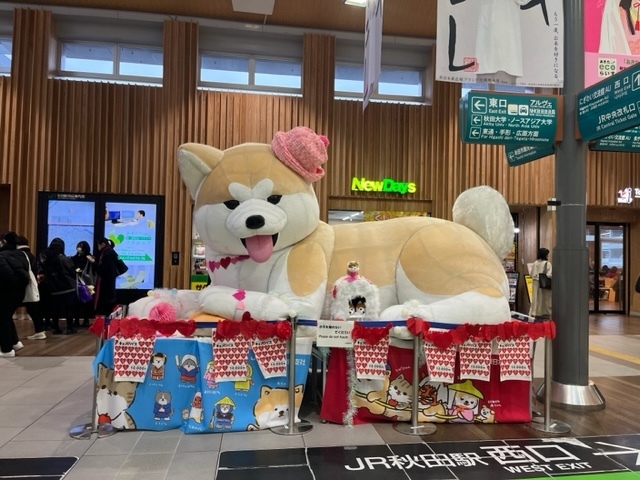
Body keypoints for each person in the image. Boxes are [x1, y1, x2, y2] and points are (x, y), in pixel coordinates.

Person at [0, 231, 30, 357]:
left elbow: (6, 275)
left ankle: (7, 349)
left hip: (6, 292)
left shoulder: (2, 255)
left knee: (3, 319)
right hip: (20, 292)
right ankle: (15, 342)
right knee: (6, 317)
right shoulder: (22, 254)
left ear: (4, 242)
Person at [39, 238, 77, 334]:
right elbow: (72, 271)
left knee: (55, 310)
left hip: (54, 289)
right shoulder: (64, 259)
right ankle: (70, 328)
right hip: (68, 287)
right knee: (69, 309)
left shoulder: (47, 260)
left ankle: (56, 328)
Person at [16, 235, 46, 340]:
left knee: (32, 309)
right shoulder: (30, 254)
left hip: (24, 285)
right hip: (31, 285)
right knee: (33, 309)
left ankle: (39, 330)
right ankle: (40, 330)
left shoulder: (21, 254)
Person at [70, 240, 96, 328]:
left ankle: (86, 320)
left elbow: (94, 270)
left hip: (87, 283)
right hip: (76, 283)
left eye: (81, 247)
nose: (79, 249)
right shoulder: (73, 258)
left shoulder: (90, 258)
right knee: (75, 303)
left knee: (87, 302)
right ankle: (76, 320)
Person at [94, 237, 119, 317]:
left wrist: (94, 263)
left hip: (105, 283)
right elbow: (121, 266)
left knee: (106, 306)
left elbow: (103, 269)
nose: (98, 247)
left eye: (98, 245)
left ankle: (105, 324)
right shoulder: (111, 252)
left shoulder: (107, 253)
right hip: (110, 282)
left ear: (103, 244)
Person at [529, 247, 552, 319]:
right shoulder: (547, 264)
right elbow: (549, 275)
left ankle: (534, 312)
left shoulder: (535, 263)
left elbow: (531, 274)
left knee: (535, 298)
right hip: (544, 283)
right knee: (545, 298)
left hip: (535, 282)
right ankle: (544, 312)